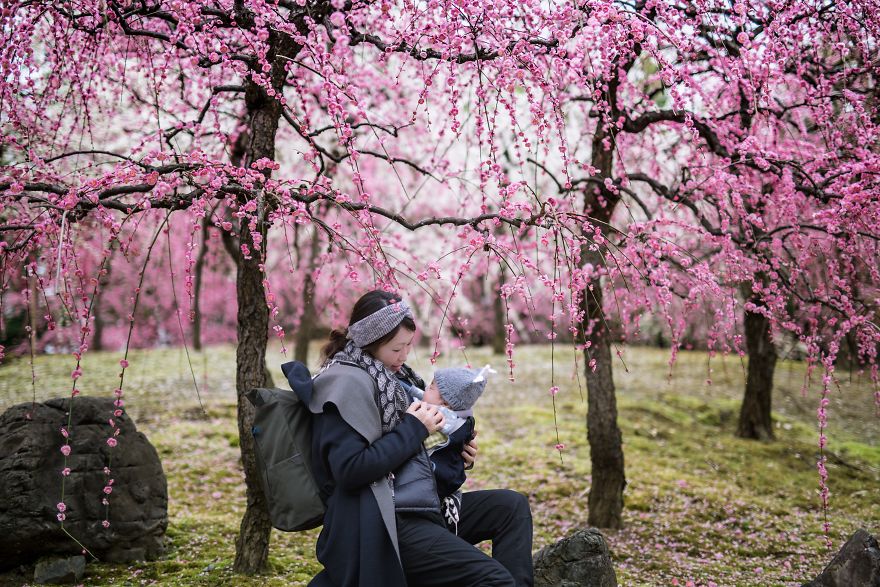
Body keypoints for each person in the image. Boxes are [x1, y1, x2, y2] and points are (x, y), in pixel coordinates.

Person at [284, 290, 534, 587]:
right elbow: (351, 470)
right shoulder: (343, 385)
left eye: (407, 347)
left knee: (511, 507)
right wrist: (416, 429)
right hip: (384, 522)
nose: (403, 357)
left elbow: (414, 454)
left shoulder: (394, 381)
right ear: (370, 342)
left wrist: (452, 452)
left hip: (421, 506)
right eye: (395, 349)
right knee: (494, 579)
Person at [403, 365, 494, 534]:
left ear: (444, 403)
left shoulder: (438, 421)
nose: (425, 389)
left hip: (428, 490)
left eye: (431, 387)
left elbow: (418, 447)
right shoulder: (458, 416)